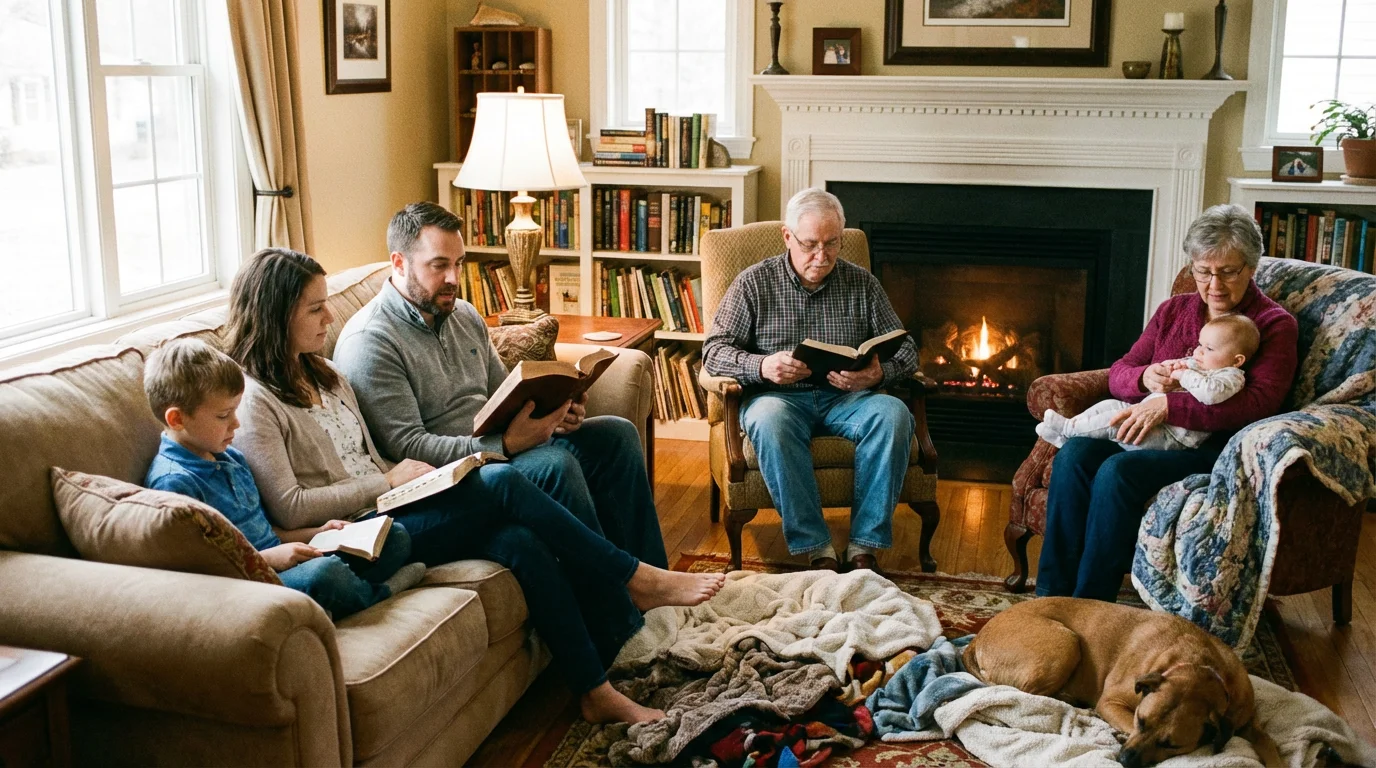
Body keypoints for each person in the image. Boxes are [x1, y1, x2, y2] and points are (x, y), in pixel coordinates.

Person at [227, 248, 722, 724]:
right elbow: (290, 507)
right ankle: (632, 577)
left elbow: (371, 453)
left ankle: (595, 691)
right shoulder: (253, 400)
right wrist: (386, 481)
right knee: (502, 479)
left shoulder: (326, 373)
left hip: (395, 504)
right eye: (315, 310)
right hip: (356, 534)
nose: (327, 320)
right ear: (276, 315)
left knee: (520, 542)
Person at [331, 202, 669, 571]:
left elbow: (502, 392)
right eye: (439, 265)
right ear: (399, 263)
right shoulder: (370, 341)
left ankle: (656, 582)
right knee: (556, 463)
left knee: (616, 436)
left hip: (502, 446)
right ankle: (616, 600)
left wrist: (553, 410)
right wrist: (506, 444)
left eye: (458, 263)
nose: (453, 278)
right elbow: (408, 446)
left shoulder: (462, 313)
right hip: (454, 475)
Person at [1035, 204, 1299, 602]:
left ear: (1250, 268)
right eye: (1203, 272)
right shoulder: (1173, 311)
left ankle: (1092, 603)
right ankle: (1050, 596)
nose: (1215, 285)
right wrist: (1144, 378)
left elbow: (1259, 404)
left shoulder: (1274, 325)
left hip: (1215, 450)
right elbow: (1121, 370)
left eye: (1228, 272)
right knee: (1074, 453)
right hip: (1151, 436)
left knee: (1117, 471)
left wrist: (1167, 407)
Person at [701, 187, 920, 574]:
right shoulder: (753, 283)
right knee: (768, 420)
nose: (822, 257)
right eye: (811, 245)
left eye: (832, 244)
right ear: (788, 237)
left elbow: (906, 348)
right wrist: (763, 366)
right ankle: (816, 546)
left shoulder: (862, 284)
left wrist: (878, 373)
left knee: (893, 414)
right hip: (778, 399)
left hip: (848, 400)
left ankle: (864, 546)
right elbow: (714, 352)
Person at [143, 338, 425, 620]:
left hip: (283, 560)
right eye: (223, 415)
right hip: (252, 584)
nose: (236, 424)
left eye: (236, 412)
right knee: (324, 573)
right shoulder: (173, 485)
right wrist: (268, 559)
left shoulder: (230, 458)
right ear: (177, 419)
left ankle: (333, 601)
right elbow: (200, 571)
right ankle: (376, 594)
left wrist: (317, 531)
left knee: (393, 536)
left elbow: (267, 530)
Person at [1036, 314, 1260, 451]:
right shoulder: (1202, 362)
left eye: (1208, 349)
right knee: (1108, 407)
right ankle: (1068, 432)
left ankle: (1068, 429)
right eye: (1200, 345)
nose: (1199, 352)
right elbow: (1125, 366)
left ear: (1236, 360)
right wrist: (1167, 369)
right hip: (1146, 411)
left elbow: (1210, 394)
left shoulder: (1230, 377)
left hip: (1171, 435)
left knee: (1117, 423)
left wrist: (1184, 376)